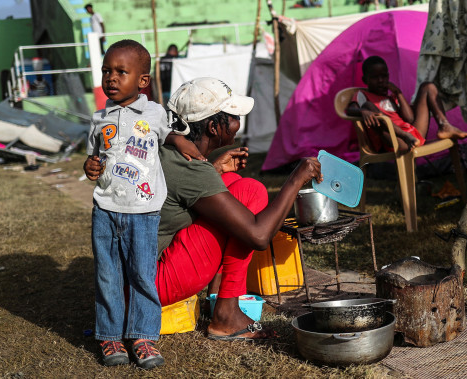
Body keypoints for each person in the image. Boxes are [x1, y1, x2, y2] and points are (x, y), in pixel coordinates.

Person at [89, 77, 323, 341]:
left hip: (125, 282)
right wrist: (296, 178)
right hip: (147, 285)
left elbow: (176, 194)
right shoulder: (189, 168)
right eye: (233, 116)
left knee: (233, 183)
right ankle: (227, 313)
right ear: (213, 127)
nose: (238, 123)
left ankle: (219, 295)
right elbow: (258, 237)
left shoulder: (165, 149)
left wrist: (212, 170)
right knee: (251, 191)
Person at [82, 39, 202, 369]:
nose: (111, 78)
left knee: (141, 275)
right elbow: (94, 157)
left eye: (121, 71)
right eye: (107, 71)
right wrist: (90, 166)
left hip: (144, 211)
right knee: (107, 275)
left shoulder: (154, 112)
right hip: (105, 209)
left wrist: (183, 143)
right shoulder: (98, 117)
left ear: (142, 81)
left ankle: (143, 336)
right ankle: (109, 336)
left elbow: (169, 135)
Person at [345, 56, 467, 154]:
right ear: (365, 80)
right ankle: (405, 136)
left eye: (384, 76)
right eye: (375, 77)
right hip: (395, 141)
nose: (380, 81)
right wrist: (363, 111)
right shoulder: (362, 94)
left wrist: (398, 93)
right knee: (368, 105)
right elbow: (350, 109)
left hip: (413, 136)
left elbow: (410, 119)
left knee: (428, 86)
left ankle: (445, 126)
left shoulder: (390, 96)